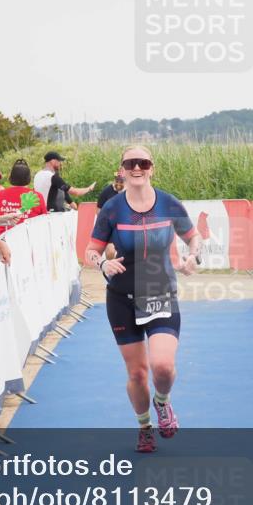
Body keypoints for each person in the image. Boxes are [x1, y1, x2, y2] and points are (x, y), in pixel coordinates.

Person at [85, 145, 201, 453]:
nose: (137, 168)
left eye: (143, 162)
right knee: (137, 373)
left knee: (162, 366)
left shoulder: (168, 203)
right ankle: (145, 426)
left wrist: (193, 256)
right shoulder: (111, 208)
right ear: (121, 170)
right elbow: (90, 251)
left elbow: (194, 237)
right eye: (130, 163)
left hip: (159, 291)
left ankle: (163, 402)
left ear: (152, 167)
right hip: (121, 297)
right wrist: (102, 263)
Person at [0, 159, 47, 236]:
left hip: (3, 239)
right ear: (29, 178)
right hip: (29, 239)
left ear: (11, 177)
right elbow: (44, 219)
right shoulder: (36, 196)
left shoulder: (0, 194)